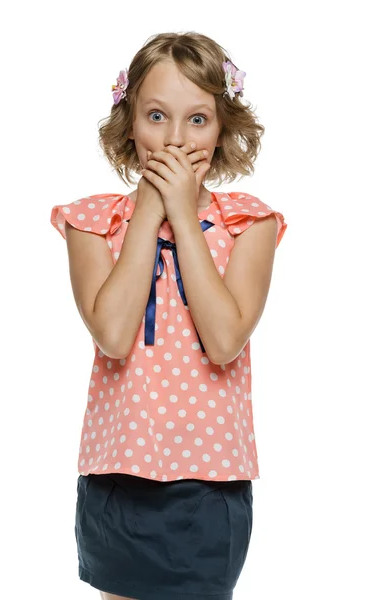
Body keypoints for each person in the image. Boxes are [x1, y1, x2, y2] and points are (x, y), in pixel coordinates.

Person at [50, 31, 287, 600]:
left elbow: (226, 338)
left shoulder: (249, 225)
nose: (175, 140)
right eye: (157, 116)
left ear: (224, 127)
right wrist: (149, 209)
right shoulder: (91, 224)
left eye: (197, 120)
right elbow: (112, 333)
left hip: (210, 486)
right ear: (130, 121)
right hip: (117, 478)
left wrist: (182, 215)